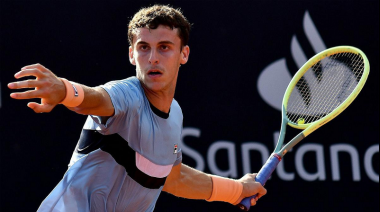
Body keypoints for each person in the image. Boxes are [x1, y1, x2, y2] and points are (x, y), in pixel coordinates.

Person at [8, 5, 267, 212]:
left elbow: (174, 179)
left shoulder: (174, 113)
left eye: (164, 47)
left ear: (184, 54)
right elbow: (96, 98)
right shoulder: (126, 94)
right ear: (132, 55)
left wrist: (236, 190)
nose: (153, 57)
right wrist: (65, 90)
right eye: (144, 48)